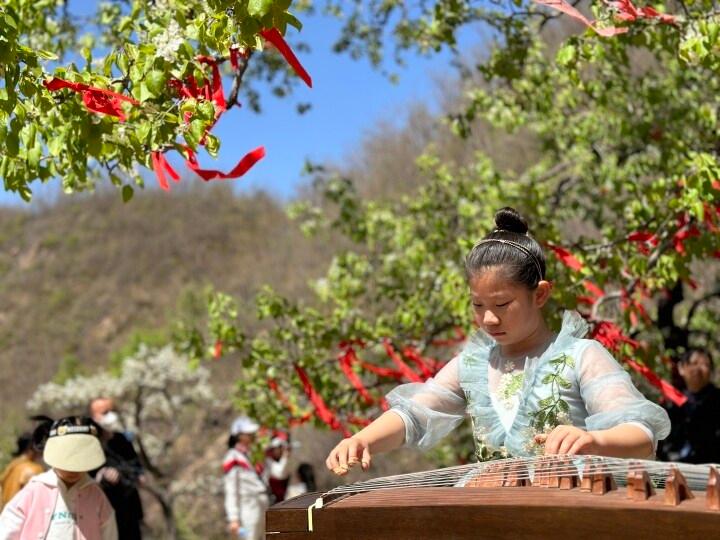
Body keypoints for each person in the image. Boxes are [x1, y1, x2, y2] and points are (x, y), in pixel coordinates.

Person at [326, 207, 671, 475]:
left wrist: (595, 440)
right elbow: (414, 415)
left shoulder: (581, 355)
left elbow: (640, 435)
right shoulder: (473, 364)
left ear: (540, 294)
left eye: (502, 305)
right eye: (479, 306)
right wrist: (362, 439)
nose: (488, 319)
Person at [0, 416, 118, 539]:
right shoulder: (34, 492)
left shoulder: (96, 496)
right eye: (67, 461)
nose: (73, 469)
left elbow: (109, 534)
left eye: (80, 461)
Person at [89, 397, 144, 540]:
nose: (111, 415)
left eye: (112, 411)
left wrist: (128, 474)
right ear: (94, 417)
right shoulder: (89, 446)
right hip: (105, 512)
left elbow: (137, 469)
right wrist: (101, 476)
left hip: (130, 509)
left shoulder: (122, 440)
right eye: (105, 412)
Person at [658, 348, 720, 464]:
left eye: (705, 365)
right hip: (674, 468)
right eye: (694, 363)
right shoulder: (671, 400)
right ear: (682, 368)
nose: (698, 368)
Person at [223, 416, 270, 540]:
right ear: (239, 436)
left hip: (263, 504)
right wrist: (233, 518)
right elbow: (231, 489)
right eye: (248, 433)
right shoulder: (233, 457)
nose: (252, 435)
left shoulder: (251, 454)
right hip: (248, 506)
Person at [0, 432, 44, 509]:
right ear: (31, 447)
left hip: (5, 516)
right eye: (39, 446)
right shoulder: (34, 469)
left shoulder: (11, 466)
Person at [263, 436, 291, 503]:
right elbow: (280, 474)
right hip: (273, 497)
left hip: (287, 495)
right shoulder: (268, 461)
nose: (276, 451)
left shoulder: (288, 459)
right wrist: (285, 458)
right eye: (274, 449)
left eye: (278, 448)